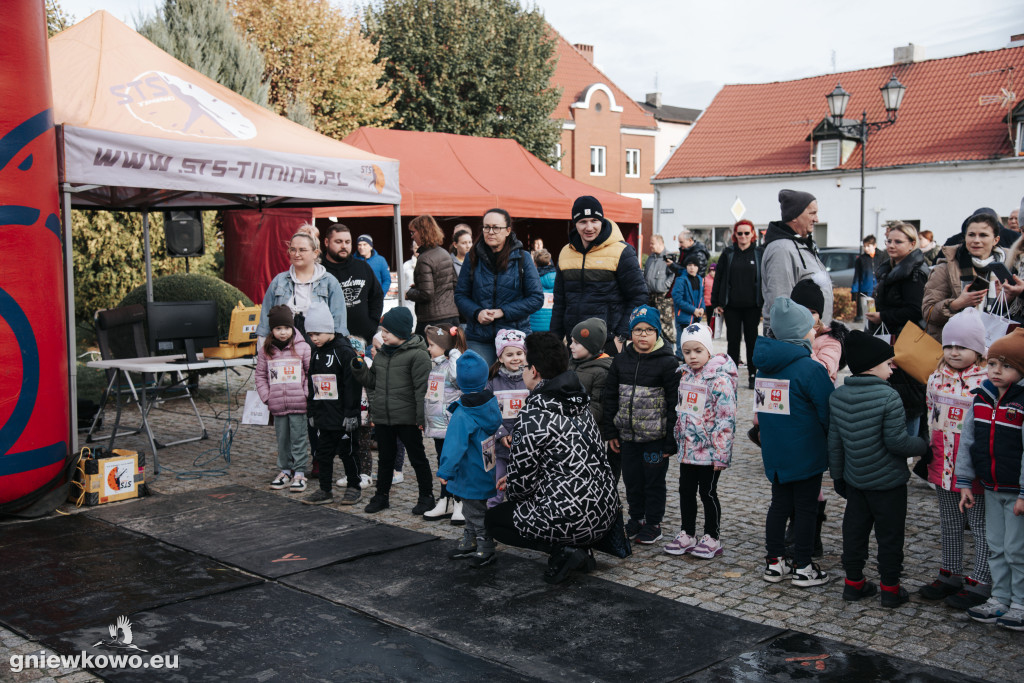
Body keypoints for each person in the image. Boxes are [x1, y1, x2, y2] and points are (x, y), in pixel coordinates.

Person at [484, 332, 618, 585]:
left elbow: (521, 488)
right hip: (605, 512)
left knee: (494, 520)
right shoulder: (579, 400)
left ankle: (566, 551)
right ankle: (578, 546)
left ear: (534, 371)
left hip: (575, 518)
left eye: (524, 366)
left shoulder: (533, 414)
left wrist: (513, 482)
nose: (522, 371)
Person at [828, 331, 928, 608]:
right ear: (872, 367)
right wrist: (924, 445)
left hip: (855, 481)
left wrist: (838, 476)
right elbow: (897, 442)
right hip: (888, 484)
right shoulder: (889, 396)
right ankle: (890, 589)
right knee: (890, 536)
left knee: (854, 533)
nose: (892, 368)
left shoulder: (838, 396)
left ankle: (853, 584)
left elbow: (834, 442)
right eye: (888, 363)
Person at [754, 297, 834, 588]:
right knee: (806, 510)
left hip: (776, 451)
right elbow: (827, 412)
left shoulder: (764, 368)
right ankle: (803, 566)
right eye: (811, 328)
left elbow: (763, 412)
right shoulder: (811, 369)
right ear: (800, 333)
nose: (815, 332)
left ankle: (775, 562)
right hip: (806, 452)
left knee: (779, 506)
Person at [920, 309, 992, 609]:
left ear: (978, 349)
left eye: (962, 346)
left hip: (972, 468)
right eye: (949, 346)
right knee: (949, 521)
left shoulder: (987, 382)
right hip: (942, 463)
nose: (953, 352)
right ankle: (950, 572)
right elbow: (930, 414)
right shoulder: (936, 378)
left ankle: (981, 578)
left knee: (979, 524)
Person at [955, 328, 1024, 630]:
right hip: (992, 488)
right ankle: (1000, 598)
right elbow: (968, 440)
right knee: (996, 545)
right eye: (993, 363)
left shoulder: (1020, 403)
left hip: (1017, 491)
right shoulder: (982, 397)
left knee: (1017, 549)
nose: (996, 371)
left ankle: (1020, 603)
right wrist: (964, 482)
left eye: (1006, 366)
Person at [601, 305, 681, 546]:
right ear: (631, 333)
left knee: (653, 482)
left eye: (648, 330)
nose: (643, 335)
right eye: (638, 330)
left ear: (657, 332)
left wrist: (671, 440)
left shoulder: (668, 362)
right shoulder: (620, 360)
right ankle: (636, 518)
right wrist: (611, 431)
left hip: (655, 438)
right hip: (627, 436)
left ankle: (654, 523)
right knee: (632, 480)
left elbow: (674, 404)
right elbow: (610, 397)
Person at [351, 307, 434, 515]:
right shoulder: (382, 354)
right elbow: (372, 382)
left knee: (417, 458)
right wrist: (359, 368)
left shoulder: (418, 355)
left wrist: (420, 418)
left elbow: (421, 390)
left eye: (387, 331)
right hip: (383, 417)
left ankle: (426, 497)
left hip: (407, 419)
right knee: (385, 459)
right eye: (382, 331)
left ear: (400, 331)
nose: (383, 335)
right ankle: (381, 496)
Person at [664, 323, 737, 560]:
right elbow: (682, 411)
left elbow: (726, 419)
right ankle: (688, 533)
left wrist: (721, 454)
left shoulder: (720, 380)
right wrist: (679, 439)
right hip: (688, 449)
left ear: (708, 350)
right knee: (686, 491)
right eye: (687, 352)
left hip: (709, 451)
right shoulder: (685, 375)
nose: (692, 356)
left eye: (698, 350)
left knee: (708, 493)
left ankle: (712, 536)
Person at [551, 196, 648, 354]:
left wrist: (620, 337)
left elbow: (639, 296)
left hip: (607, 344)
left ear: (602, 220)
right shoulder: (565, 253)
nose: (589, 227)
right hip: (574, 343)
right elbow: (560, 303)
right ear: (575, 223)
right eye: (583, 222)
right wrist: (554, 341)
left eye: (594, 220)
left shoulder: (622, 251)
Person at [438, 351, 503, 568]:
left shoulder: (463, 414)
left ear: (460, 383)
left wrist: (445, 471)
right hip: (485, 468)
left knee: (475, 511)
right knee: (472, 508)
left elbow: (454, 446)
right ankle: (471, 539)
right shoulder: (489, 405)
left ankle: (485, 545)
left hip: (469, 473)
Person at [454, 208, 543, 366]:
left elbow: (536, 298)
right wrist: (477, 312)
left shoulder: (523, 258)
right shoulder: (472, 257)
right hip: (479, 337)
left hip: (514, 337)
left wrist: (503, 311)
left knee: (518, 380)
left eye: (496, 228)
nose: (490, 232)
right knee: (478, 378)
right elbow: (460, 295)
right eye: (486, 227)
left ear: (508, 230)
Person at [303, 302, 362, 506]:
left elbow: (352, 385)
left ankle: (354, 486)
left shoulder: (344, 352)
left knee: (348, 453)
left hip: (343, 416)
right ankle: (325, 490)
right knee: (323, 454)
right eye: (310, 335)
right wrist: (311, 411)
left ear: (328, 329)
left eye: (317, 334)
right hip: (324, 415)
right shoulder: (316, 353)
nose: (314, 338)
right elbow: (312, 384)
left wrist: (351, 413)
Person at [923, 211, 1007, 342]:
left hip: (995, 344)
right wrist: (957, 304)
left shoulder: (1009, 266)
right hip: (955, 345)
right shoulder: (945, 268)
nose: (976, 240)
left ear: (995, 240)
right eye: (971, 235)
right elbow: (928, 313)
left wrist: (1008, 298)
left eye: (983, 235)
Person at [257, 226, 348, 341]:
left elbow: (339, 324)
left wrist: (338, 347)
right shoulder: (279, 281)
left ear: (315, 253)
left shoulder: (330, 282)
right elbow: (265, 320)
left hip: (318, 348)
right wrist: (262, 347)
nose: (296, 254)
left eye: (302, 250)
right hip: (283, 348)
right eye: (293, 249)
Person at [255, 305, 311, 493]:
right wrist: (267, 397)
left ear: (292, 327)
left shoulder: (303, 347)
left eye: (286, 328)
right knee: (282, 439)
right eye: (278, 328)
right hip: (277, 404)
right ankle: (285, 470)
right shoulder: (266, 351)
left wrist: (305, 394)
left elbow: (310, 372)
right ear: (272, 329)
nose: (283, 332)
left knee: (299, 438)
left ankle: (300, 472)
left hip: (299, 403)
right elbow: (260, 376)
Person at [761, 190, 833, 335]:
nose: (817, 219)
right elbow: (780, 306)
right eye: (812, 213)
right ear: (794, 216)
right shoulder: (782, 250)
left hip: (813, 337)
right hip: (799, 339)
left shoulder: (801, 245)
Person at [421, 324, 467, 522]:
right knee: (442, 463)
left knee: (455, 462)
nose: (428, 348)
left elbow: (458, 378)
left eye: (432, 345)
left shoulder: (453, 365)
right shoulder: (438, 366)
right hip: (438, 426)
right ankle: (445, 499)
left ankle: (459, 501)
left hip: (451, 425)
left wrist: (454, 352)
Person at [712, 219, 763, 390]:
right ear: (735, 235)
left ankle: (753, 374)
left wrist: (765, 303)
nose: (743, 236)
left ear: (752, 234)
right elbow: (719, 278)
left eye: (746, 233)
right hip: (731, 306)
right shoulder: (728, 253)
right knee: (733, 342)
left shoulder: (759, 253)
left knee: (752, 342)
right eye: (739, 233)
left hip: (753, 306)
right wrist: (716, 302)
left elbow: (765, 279)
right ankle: (731, 376)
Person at [485, 329, 529, 508]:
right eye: (509, 355)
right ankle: (492, 515)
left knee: (521, 488)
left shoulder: (530, 379)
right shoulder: (492, 382)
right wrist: (501, 434)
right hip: (499, 447)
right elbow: (488, 412)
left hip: (524, 446)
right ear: (500, 358)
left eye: (519, 353)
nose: (515, 358)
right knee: (496, 488)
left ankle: (520, 516)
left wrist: (520, 434)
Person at [321, 222, 384, 342]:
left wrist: (372, 323)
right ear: (326, 242)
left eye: (347, 242)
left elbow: (377, 296)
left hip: (363, 339)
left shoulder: (362, 267)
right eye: (338, 242)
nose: (344, 246)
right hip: (330, 341)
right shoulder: (319, 271)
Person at [569, 318, 615, 478]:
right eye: (571, 341)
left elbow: (597, 406)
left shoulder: (602, 371)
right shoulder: (572, 364)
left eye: (576, 343)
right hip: (568, 430)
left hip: (589, 433)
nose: (571, 346)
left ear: (591, 346)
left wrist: (574, 421)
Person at [405, 214, 460, 337]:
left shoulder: (424, 259)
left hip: (431, 320)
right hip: (451, 316)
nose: (412, 236)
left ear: (422, 232)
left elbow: (426, 294)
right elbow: (454, 284)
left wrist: (409, 293)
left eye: (413, 232)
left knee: (426, 349)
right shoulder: (445, 253)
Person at [644, 234, 676, 347]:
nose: (650, 245)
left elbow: (673, 274)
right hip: (651, 296)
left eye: (652, 243)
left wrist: (665, 286)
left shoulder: (668, 257)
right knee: (652, 324)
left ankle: (669, 350)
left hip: (663, 296)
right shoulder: (651, 258)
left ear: (660, 243)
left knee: (665, 325)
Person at [671, 253, 704, 356]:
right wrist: (693, 310)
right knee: (682, 342)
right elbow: (678, 299)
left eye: (694, 265)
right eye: (689, 265)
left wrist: (702, 308)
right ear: (686, 267)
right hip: (684, 316)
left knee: (693, 342)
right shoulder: (681, 280)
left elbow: (701, 297)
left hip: (695, 317)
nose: (692, 268)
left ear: (698, 267)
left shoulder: (699, 280)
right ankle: (680, 358)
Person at [851, 235, 879, 322]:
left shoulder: (881, 257)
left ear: (874, 245)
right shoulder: (861, 259)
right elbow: (857, 277)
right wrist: (854, 291)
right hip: (866, 291)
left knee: (877, 314)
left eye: (868, 246)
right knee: (869, 314)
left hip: (878, 291)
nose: (866, 248)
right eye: (865, 246)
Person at [529, 249, 557, 332]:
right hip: (553, 324)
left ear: (535, 263)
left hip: (534, 325)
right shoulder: (558, 278)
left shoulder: (531, 278)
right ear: (549, 262)